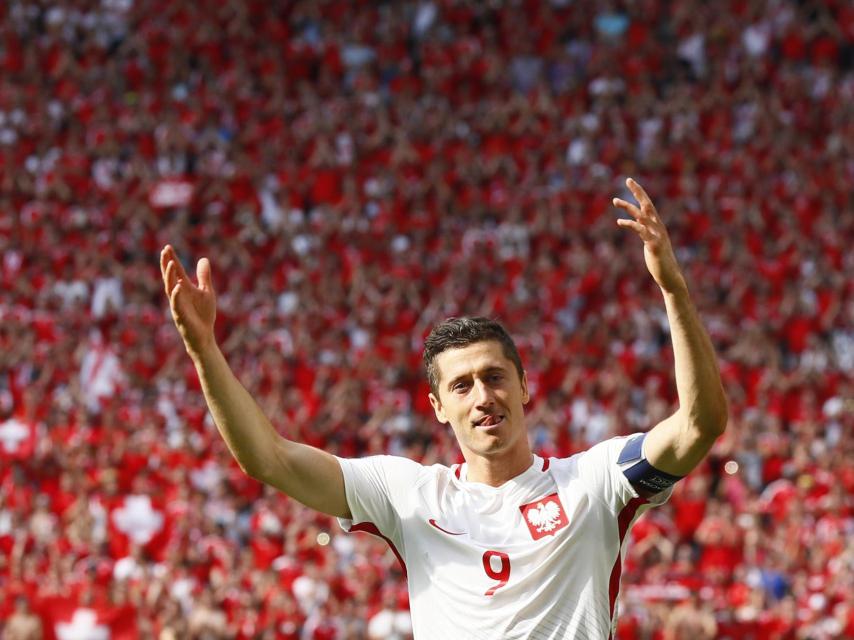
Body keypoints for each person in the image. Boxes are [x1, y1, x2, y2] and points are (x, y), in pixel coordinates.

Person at [160, 178, 728, 639]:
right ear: (436, 406)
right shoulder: (407, 493)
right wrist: (204, 349)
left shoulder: (596, 480)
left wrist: (674, 291)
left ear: (525, 386)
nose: (483, 396)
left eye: (495, 377)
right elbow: (270, 460)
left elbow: (700, 424)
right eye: (462, 386)